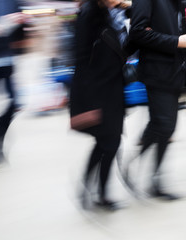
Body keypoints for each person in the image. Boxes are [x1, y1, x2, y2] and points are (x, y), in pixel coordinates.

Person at [129, 0, 186, 200]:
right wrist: (177, 42)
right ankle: (140, 169)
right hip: (157, 72)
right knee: (163, 125)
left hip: (175, 73)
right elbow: (137, 33)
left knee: (165, 127)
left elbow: (181, 33)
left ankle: (154, 179)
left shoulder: (179, 3)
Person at [70, 0, 133, 210]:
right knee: (109, 143)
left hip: (113, 87)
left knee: (108, 143)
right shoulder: (89, 14)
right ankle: (98, 192)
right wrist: (89, 101)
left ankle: (92, 189)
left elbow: (127, 42)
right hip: (97, 90)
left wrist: (124, 7)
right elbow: (81, 59)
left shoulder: (113, 13)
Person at [0, 0, 26, 171]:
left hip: (5, 60)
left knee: (14, 104)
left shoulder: (12, 1)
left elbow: (21, 35)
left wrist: (20, 21)